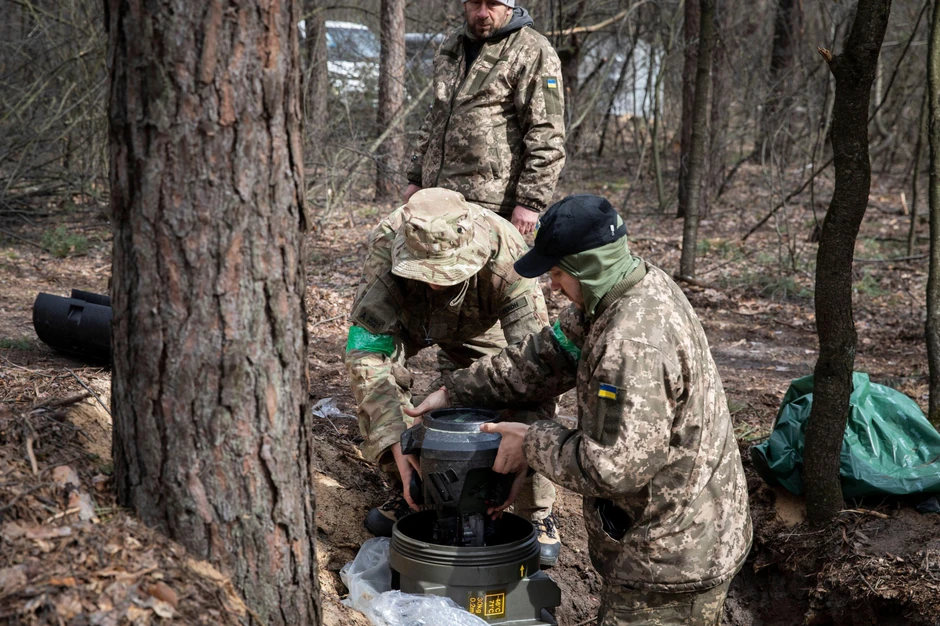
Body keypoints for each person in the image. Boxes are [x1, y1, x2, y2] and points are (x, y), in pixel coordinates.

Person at [406, 194, 753, 625]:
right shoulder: (619, 292)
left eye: (556, 273)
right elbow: (545, 357)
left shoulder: (630, 345)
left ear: (588, 268)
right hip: (665, 536)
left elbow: (613, 468)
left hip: (673, 559)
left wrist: (530, 443)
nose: (552, 286)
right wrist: (454, 391)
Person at [344, 187, 562, 566]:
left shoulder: (506, 251)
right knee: (393, 413)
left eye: (447, 272)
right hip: (410, 320)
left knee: (509, 396)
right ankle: (413, 490)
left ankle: (536, 507)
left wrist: (526, 448)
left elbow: (537, 365)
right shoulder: (387, 242)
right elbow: (367, 353)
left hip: (480, 324)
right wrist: (396, 442)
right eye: (425, 271)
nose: (436, 283)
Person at [403, 0, 566, 236]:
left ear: (508, 7)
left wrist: (530, 202)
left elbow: (547, 131)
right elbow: (436, 116)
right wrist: (416, 178)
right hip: (436, 199)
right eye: (475, 3)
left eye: (492, 4)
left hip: (491, 205)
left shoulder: (532, 49)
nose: (482, 13)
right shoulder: (452, 45)